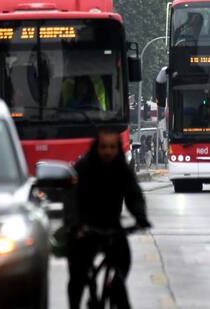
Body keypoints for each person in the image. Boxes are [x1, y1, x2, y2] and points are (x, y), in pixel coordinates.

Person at [66, 129, 152, 309]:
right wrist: (75, 225)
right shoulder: (84, 167)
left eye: (112, 147)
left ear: (118, 149)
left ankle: (114, 290)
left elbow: (133, 195)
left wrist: (140, 217)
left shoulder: (122, 168)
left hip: (112, 225)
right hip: (85, 226)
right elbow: (71, 199)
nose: (108, 152)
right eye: (104, 147)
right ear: (96, 147)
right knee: (78, 273)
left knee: (124, 260)